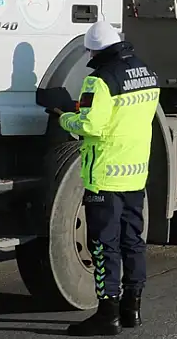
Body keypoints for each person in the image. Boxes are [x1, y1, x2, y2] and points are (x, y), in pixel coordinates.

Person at [50, 22, 160, 336]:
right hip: (135, 174)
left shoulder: (98, 81)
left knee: (103, 247)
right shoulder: (146, 74)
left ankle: (107, 315)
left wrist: (64, 117)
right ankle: (131, 310)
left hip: (105, 177)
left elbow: (92, 126)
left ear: (94, 50)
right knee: (133, 243)